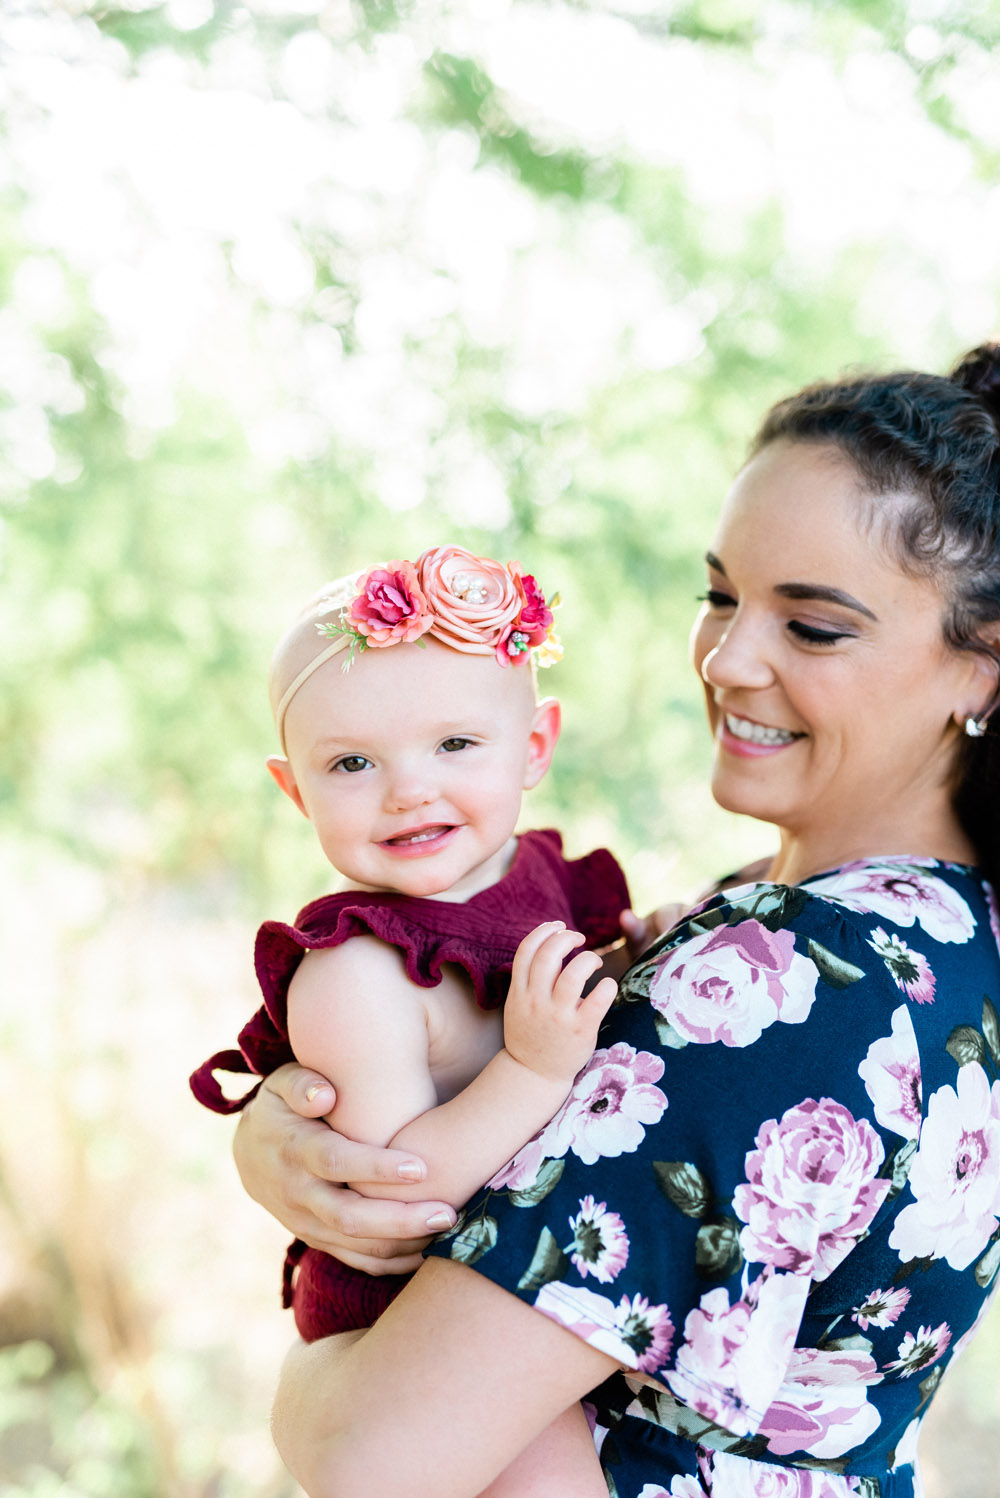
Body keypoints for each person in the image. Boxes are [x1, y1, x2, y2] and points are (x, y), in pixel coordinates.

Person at [235, 344, 1000, 1497]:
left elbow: (369, 1457)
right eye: (721, 595)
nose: (728, 658)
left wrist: (308, 1371)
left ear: (981, 671)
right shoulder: (944, 932)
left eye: (815, 627)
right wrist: (290, 1139)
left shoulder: (788, 976)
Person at [191, 543, 636, 1495]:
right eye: (351, 762)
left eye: (455, 745)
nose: (408, 788)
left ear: (535, 748)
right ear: (295, 790)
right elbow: (394, 1202)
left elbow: (594, 970)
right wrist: (532, 1069)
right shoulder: (358, 970)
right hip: (404, 1310)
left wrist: (645, 943)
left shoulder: (535, 874)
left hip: (513, 1272)